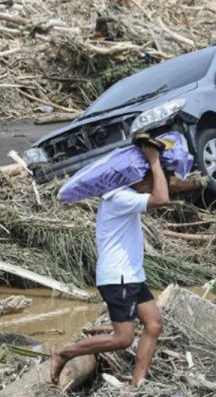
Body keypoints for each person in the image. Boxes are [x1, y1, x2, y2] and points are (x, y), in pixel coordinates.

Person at [51, 145, 169, 387]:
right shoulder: (119, 197)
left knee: (154, 323)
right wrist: (154, 160)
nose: (150, 186)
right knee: (123, 338)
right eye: (148, 180)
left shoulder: (125, 195)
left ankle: (138, 384)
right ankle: (65, 351)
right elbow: (162, 198)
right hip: (119, 278)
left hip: (131, 277)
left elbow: (163, 191)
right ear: (137, 179)